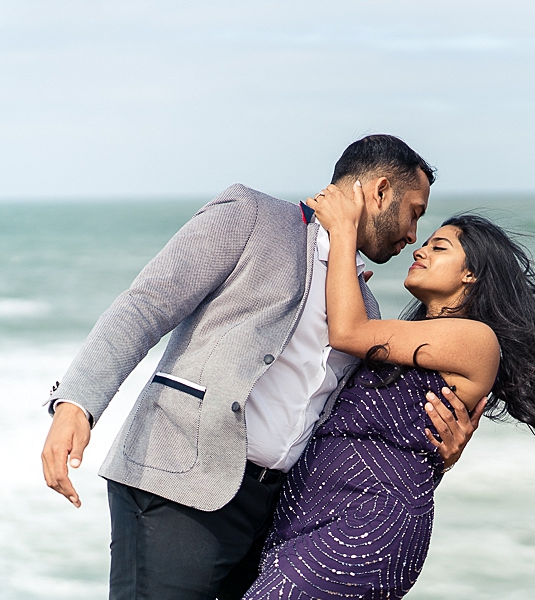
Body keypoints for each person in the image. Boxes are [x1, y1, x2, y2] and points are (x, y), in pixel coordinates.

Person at [40, 135, 485, 600]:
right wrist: (76, 404)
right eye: (414, 212)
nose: (414, 234)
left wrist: (434, 454)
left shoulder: (363, 306)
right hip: (181, 486)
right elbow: (147, 304)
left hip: (276, 515)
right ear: (379, 191)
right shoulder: (253, 216)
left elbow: (349, 422)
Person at [242, 183, 535, 599]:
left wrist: (343, 235)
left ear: (472, 274)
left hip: (368, 520)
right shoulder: (406, 337)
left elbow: (347, 331)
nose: (420, 250)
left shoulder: (477, 340)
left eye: (440, 247)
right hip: (305, 510)